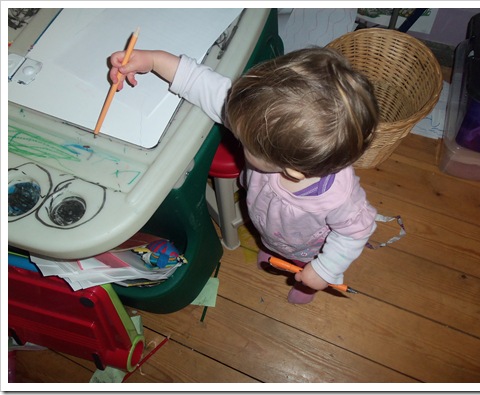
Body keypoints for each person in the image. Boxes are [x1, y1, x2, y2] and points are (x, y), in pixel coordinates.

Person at [109, 46, 379, 304]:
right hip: (269, 223)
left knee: (302, 271)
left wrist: (322, 270)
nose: (237, 136)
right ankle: (273, 246)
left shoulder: (338, 198)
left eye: (245, 142)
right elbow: (201, 83)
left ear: (292, 171)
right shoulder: (260, 116)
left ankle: (303, 283)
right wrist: (153, 60)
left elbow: (356, 231)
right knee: (271, 243)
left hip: (307, 248)